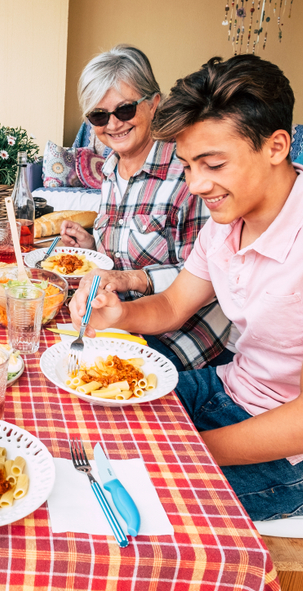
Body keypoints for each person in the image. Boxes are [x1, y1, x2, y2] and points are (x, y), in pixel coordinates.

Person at [69, 54, 303, 521]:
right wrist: (118, 314)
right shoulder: (227, 225)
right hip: (228, 389)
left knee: (119, 490)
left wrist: (175, 451)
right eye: (188, 166)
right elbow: (172, 304)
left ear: (275, 146)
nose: (196, 184)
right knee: (83, 427)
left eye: (213, 164)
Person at [59, 45, 231, 371]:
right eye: (99, 115)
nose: (113, 124)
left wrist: (130, 279)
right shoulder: (110, 171)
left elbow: (211, 279)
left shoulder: (188, 174)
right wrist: (91, 246)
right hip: (125, 324)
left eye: (124, 110)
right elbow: (122, 255)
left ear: (154, 105)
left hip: (182, 341)